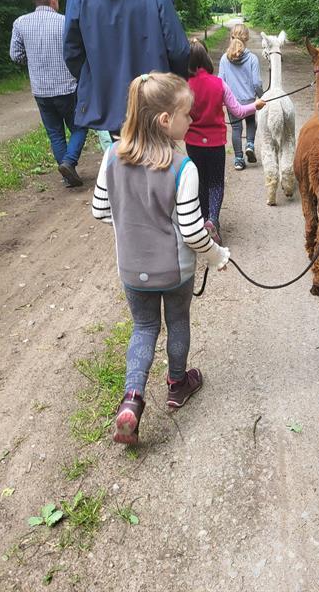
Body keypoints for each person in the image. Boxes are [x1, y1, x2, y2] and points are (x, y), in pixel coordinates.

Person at [92, 71, 230, 445]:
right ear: (166, 121)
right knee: (178, 321)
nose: (192, 119)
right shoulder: (184, 168)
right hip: (176, 270)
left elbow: (100, 211)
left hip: (132, 270)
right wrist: (218, 256)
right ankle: (177, 383)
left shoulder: (111, 157)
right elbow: (192, 231)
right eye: (187, 114)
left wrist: (130, 223)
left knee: (143, 327)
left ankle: (132, 400)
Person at [63, 0, 190, 137]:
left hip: (107, 103)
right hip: (153, 102)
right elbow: (179, 51)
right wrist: (169, 87)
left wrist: (96, 79)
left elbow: (71, 52)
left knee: (122, 158)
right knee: (156, 161)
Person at [184, 39, 266, 243]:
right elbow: (238, 111)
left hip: (193, 143)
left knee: (201, 182)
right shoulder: (219, 84)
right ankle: (213, 219)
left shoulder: (184, 86)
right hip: (215, 144)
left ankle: (203, 220)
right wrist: (255, 106)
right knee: (216, 182)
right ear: (206, 58)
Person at [9, 0, 88, 187]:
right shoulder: (65, 23)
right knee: (80, 125)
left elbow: (15, 55)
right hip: (67, 87)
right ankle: (69, 162)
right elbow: (79, 51)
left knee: (55, 133)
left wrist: (34, 59)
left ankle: (67, 176)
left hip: (41, 90)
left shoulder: (20, 23)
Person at [218, 24, 262, 171]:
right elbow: (256, 83)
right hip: (249, 100)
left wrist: (222, 100)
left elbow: (221, 81)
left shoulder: (225, 58)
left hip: (232, 102)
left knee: (236, 129)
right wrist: (261, 96)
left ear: (231, 37)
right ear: (247, 38)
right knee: (251, 123)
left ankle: (238, 159)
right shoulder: (252, 59)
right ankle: (250, 144)